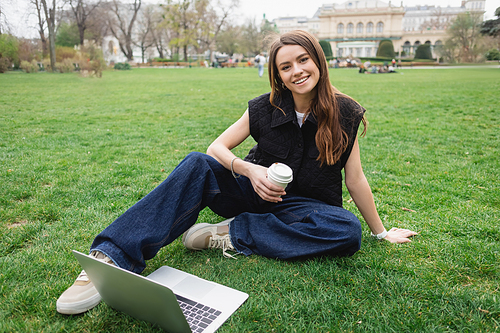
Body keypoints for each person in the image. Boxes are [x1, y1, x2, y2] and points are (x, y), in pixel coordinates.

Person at [56, 30, 417, 315]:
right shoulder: (265, 107)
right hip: (250, 191)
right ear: (278, 75)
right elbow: (217, 147)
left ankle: (231, 233)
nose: (297, 71)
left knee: (346, 230)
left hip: (303, 209)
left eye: (303, 60)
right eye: (286, 67)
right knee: (198, 162)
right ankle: (108, 260)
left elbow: (355, 179)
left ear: (318, 61)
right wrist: (249, 170)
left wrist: (380, 233)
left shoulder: (346, 113)